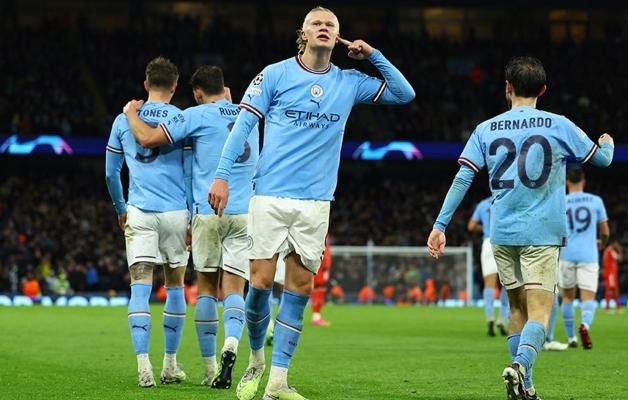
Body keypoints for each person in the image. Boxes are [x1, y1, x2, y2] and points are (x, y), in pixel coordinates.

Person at [208, 6, 415, 400]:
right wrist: (221, 174)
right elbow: (243, 126)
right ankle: (256, 360)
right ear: (302, 34)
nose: (323, 28)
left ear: (338, 37)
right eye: (316, 24)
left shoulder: (349, 81)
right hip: (270, 195)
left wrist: (373, 55)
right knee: (260, 284)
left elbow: (405, 93)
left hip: (317, 201)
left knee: (300, 289)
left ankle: (278, 381)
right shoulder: (274, 74)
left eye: (330, 25)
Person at [427, 56, 614, 399]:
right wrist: (607, 143)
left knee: (516, 309)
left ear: (508, 88)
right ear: (543, 90)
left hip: (502, 234)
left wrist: (440, 225)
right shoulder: (559, 125)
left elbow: (463, 177)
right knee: (539, 313)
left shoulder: (485, 129)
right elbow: (601, 160)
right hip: (541, 233)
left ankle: (525, 387)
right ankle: (520, 366)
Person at [122, 65, 259, 389]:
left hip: (208, 211)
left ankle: (210, 370)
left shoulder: (195, 115)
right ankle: (232, 344)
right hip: (245, 212)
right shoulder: (250, 116)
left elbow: (147, 138)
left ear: (197, 93)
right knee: (235, 290)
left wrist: (130, 113)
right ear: (224, 87)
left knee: (207, 290)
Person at [105, 57, 191, 387]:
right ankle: (170, 364)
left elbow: (111, 173)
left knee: (139, 287)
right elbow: (190, 172)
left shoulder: (122, 120)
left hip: (139, 211)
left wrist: (121, 208)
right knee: (175, 286)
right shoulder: (182, 119)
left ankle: (144, 367)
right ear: (174, 86)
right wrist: (192, 214)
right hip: (175, 213)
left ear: (146, 84)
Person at [551, 168, 609, 350]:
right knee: (588, 297)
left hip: (566, 255)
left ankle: (571, 338)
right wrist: (601, 243)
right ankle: (585, 325)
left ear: (566, 182)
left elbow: (554, 229)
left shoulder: (560, 202)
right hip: (589, 255)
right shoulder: (596, 201)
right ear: (583, 181)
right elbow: (605, 232)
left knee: (568, 297)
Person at [468, 196, 510, 336]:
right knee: (507, 284)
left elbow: (471, 226)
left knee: (489, 284)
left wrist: (484, 227)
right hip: (505, 241)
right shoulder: (507, 198)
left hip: (488, 242)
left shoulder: (482, 204)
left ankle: (490, 318)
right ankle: (502, 318)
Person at [311, 236, 332, 326]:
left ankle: (317, 316)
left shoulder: (325, 235)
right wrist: (325, 265)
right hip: (320, 267)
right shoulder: (321, 234)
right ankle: (316, 317)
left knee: (320, 291)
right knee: (318, 291)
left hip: (322, 267)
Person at [603, 240, 622, 312]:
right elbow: (619, 258)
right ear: (613, 243)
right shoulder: (610, 250)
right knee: (611, 290)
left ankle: (617, 307)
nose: (617, 245)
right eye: (616, 244)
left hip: (610, 273)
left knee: (613, 290)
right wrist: (619, 250)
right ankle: (608, 308)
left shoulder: (608, 250)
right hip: (611, 274)